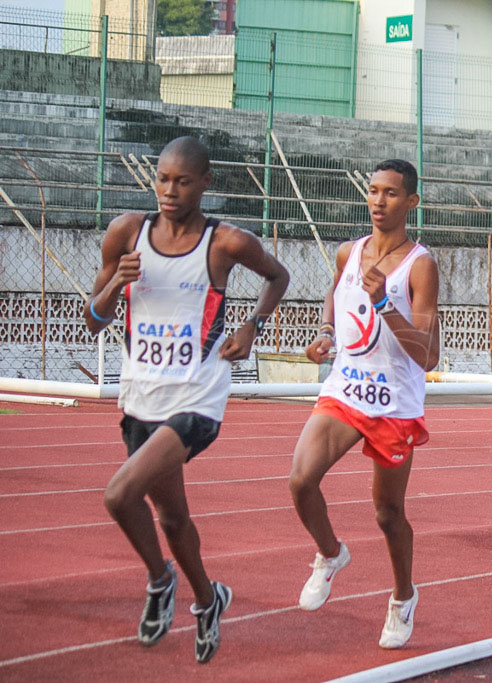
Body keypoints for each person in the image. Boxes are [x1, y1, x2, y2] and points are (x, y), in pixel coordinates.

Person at [86, 136, 290, 663]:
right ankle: (207, 598)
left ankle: (158, 581)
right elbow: (93, 317)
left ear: (205, 183)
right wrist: (115, 288)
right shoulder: (126, 234)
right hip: (141, 398)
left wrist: (252, 324)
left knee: (118, 495)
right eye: (161, 179)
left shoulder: (225, 244)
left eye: (181, 181)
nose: (169, 191)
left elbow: (277, 276)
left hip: (197, 398)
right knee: (172, 520)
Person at [289, 159, 439, 649]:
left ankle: (402, 596)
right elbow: (336, 294)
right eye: (373, 191)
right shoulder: (347, 252)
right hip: (345, 388)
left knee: (387, 514)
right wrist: (326, 331)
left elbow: (427, 352)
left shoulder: (420, 264)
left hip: (394, 402)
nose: (378, 201)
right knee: (300, 479)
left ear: (411, 202)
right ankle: (330, 554)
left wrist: (383, 306)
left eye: (391, 193)